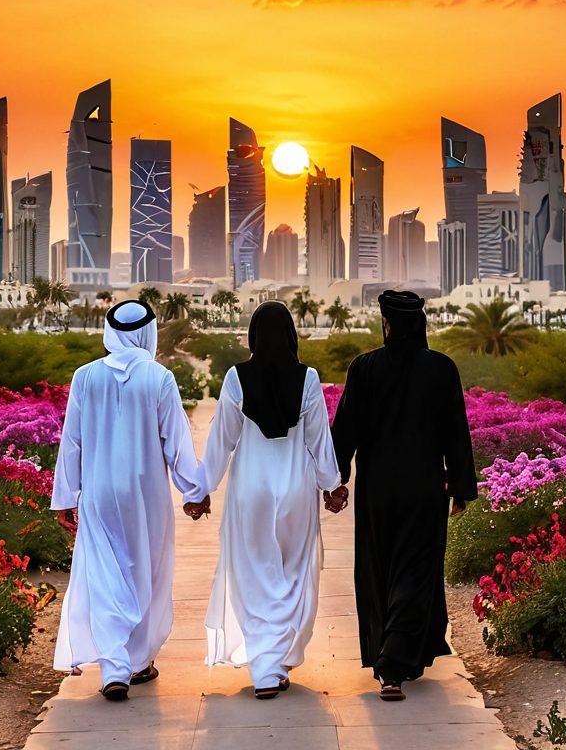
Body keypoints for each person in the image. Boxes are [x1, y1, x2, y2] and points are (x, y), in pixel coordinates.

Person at [183, 300, 345, 699]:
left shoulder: (237, 378)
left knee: (255, 574)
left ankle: (264, 664)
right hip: (295, 488)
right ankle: (274, 662)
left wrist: (201, 490)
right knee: (291, 575)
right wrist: (332, 484)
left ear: (254, 336)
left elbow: (222, 440)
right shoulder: (307, 378)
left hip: (250, 489)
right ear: (291, 335)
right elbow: (319, 440)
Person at [51, 298, 206, 701]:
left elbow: (72, 443)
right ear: (147, 333)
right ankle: (136, 663)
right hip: (146, 495)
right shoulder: (159, 378)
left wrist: (66, 497)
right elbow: (176, 441)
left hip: (99, 492)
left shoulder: (84, 377)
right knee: (145, 575)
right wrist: (194, 491)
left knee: (104, 575)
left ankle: (114, 668)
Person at [330, 289, 477, 701]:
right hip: (424, 489)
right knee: (416, 571)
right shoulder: (441, 369)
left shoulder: (365, 368)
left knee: (381, 570)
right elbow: (456, 433)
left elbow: (346, 430)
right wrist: (461, 488)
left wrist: (335, 479)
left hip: (378, 491)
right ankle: (396, 663)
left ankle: (389, 661)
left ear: (388, 324)